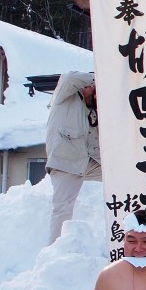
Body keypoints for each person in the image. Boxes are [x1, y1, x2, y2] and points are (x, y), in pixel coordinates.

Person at [46, 71, 101, 244]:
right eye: (94, 89)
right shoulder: (65, 96)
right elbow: (69, 77)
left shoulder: (94, 109)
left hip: (88, 162)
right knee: (62, 208)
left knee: (122, 177)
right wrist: (101, 76)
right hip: (65, 162)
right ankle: (55, 248)